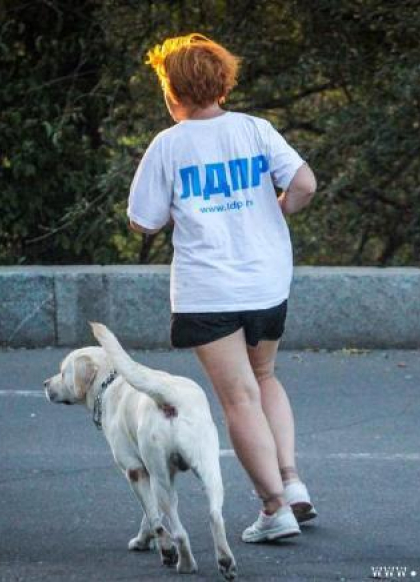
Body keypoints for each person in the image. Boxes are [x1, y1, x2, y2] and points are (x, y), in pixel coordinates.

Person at [126, 33, 318, 543]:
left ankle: (274, 509)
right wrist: (276, 210)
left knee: (238, 399)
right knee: (265, 378)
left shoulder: (168, 145)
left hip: (209, 291)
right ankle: (293, 484)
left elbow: (143, 221)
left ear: (173, 93)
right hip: (266, 282)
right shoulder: (256, 130)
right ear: (222, 85)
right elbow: (305, 185)